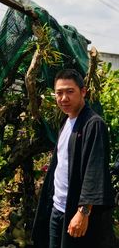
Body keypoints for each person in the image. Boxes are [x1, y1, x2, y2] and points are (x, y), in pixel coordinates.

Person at [32, 69, 117, 248]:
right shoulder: (67, 121)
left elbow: (94, 171)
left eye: (70, 91)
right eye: (59, 93)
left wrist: (83, 213)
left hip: (76, 212)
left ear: (83, 91)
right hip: (58, 208)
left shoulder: (93, 124)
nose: (64, 98)